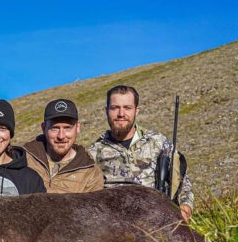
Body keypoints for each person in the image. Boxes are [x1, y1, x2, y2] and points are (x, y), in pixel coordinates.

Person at [87, 85, 194, 222]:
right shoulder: (93, 152)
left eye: (127, 108)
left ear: (136, 111)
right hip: (112, 225)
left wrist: (184, 210)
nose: (121, 114)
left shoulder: (158, 142)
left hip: (155, 220)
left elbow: (183, 185)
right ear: (106, 111)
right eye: (115, 108)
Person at [23, 99, 103, 193]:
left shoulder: (91, 174)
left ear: (77, 127)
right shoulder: (23, 158)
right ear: (44, 128)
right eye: (55, 128)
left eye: (67, 128)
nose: (61, 136)